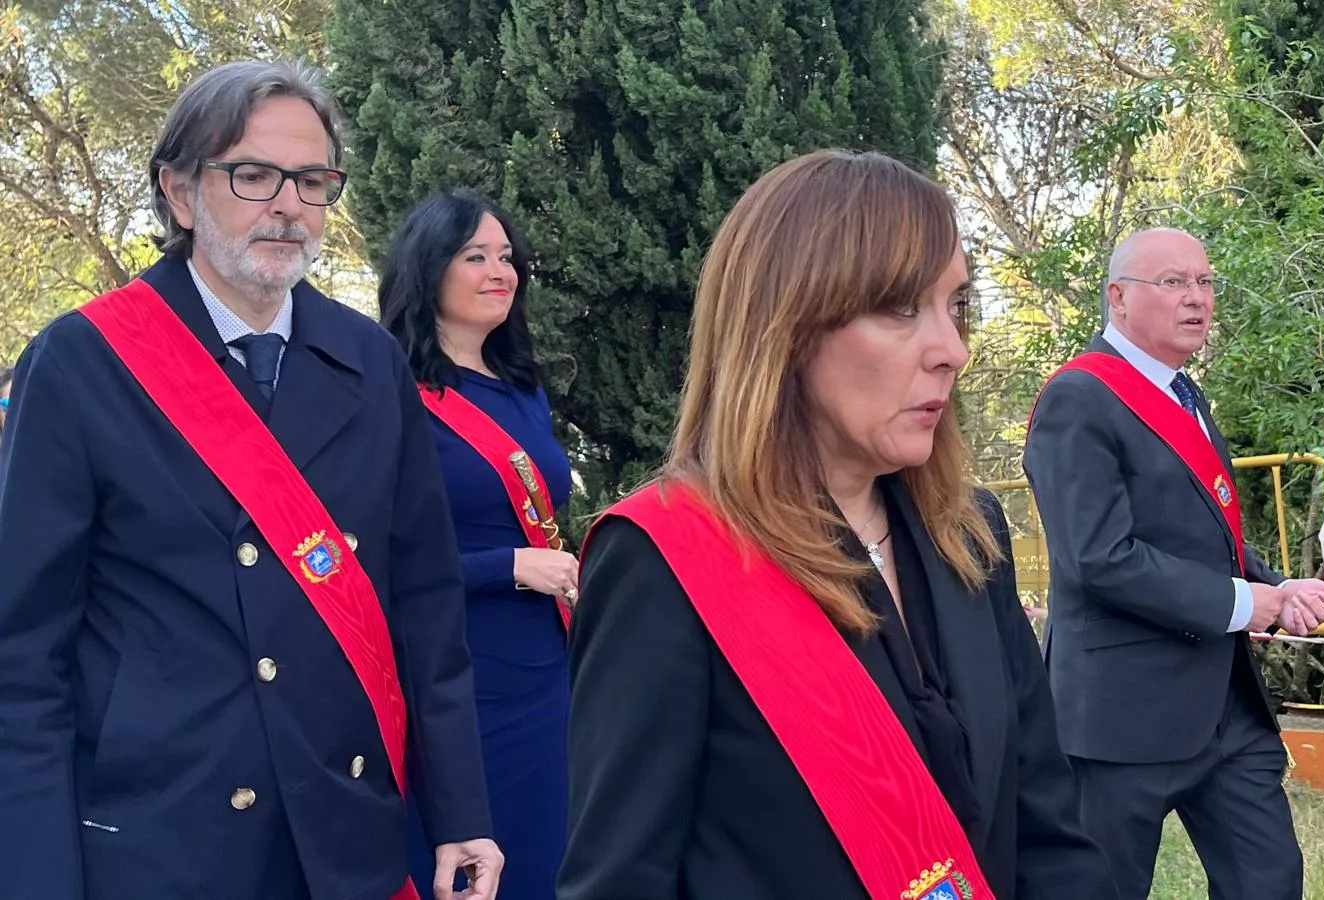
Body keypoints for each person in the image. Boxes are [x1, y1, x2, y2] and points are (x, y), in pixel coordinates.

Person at [0, 59, 503, 900]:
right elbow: (22, 652)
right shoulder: (82, 360)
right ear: (181, 192)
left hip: (340, 832)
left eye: (312, 180)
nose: (288, 205)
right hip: (160, 837)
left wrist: (460, 813)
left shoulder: (371, 360)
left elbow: (425, 602)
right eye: (253, 174)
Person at [557, 149, 1115, 900]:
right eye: (901, 308)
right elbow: (619, 880)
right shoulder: (665, 561)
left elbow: (1048, 831)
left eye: (957, 307)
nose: (953, 350)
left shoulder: (970, 533)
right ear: (786, 325)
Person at [1023, 227, 1324, 900]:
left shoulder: (1184, 394)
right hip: (1122, 716)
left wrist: (1274, 588)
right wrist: (1242, 604)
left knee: (1269, 880)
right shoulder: (1078, 399)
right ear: (1117, 297)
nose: (1196, 298)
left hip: (1224, 708)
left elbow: (1201, 537)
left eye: (1205, 282)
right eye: (1172, 283)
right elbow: (1097, 557)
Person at [380, 189, 577, 900]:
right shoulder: (391, 394)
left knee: (554, 855)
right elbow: (373, 561)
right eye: (475, 257)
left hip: (547, 668)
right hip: (463, 677)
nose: (501, 270)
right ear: (429, 269)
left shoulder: (524, 388)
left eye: (506, 256)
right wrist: (512, 566)